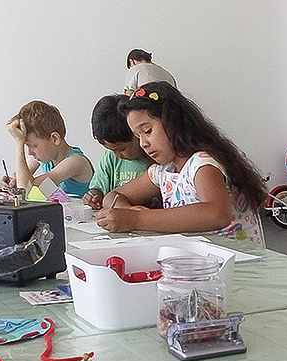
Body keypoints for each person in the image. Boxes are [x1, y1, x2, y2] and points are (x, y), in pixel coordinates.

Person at [96, 82, 266, 246]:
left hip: (239, 260)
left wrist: (137, 219)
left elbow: (217, 214)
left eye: (148, 131)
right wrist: (126, 210)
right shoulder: (163, 171)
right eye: (138, 136)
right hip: (202, 258)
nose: (143, 144)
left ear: (173, 122)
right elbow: (113, 196)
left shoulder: (202, 164)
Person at [3, 100, 93, 197]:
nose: (30, 153)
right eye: (27, 146)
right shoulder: (43, 156)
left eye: (34, 146)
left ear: (55, 139)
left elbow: (27, 191)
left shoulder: (76, 161)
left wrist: (18, 143)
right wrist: (12, 180)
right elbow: (21, 175)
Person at [83, 95, 153, 210]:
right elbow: (99, 188)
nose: (117, 155)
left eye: (121, 149)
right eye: (112, 150)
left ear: (136, 135)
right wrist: (94, 196)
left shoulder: (154, 161)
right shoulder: (110, 157)